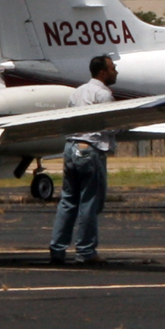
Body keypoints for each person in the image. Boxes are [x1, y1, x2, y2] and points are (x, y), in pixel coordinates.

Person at [50, 54, 118, 266]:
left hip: (71, 148)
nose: (115, 71)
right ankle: (86, 251)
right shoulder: (103, 94)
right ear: (103, 72)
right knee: (90, 201)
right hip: (90, 149)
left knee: (68, 200)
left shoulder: (77, 93)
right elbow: (111, 125)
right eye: (112, 68)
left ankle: (57, 249)